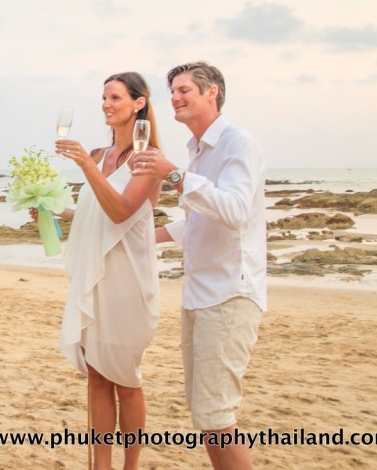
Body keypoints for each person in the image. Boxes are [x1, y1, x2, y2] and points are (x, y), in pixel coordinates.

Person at [135, 61, 266, 470]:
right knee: (206, 415)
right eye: (172, 90)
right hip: (199, 294)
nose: (174, 97)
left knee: (216, 415)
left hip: (229, 293)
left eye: (184, 89)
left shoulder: (238, 143)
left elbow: (235, 209)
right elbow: (197, 221)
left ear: (213, 93)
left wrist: (174, 176)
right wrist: (135, 237)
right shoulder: (196, 149)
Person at [45, 72, 162, 469]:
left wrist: (83, 164)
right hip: (95, 277)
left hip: (128, 283)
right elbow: (94, 215)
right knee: (97, 378)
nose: (106, 105)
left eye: (114, 97)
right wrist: (57, 211)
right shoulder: (98, 155)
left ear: (138, 103)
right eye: (104, 98)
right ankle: (101, 465)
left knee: (126, 380)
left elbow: (121, 211)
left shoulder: (148, 159)